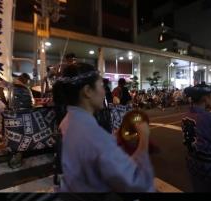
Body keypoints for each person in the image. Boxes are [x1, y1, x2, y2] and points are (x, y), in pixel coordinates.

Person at [54, 63, 154, 192]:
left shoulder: (67, 121)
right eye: (101, 85)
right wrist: (144, 139)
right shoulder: (96, 137)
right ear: (88, 91)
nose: (105, 91)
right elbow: (138, 182)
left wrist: (113, 137)